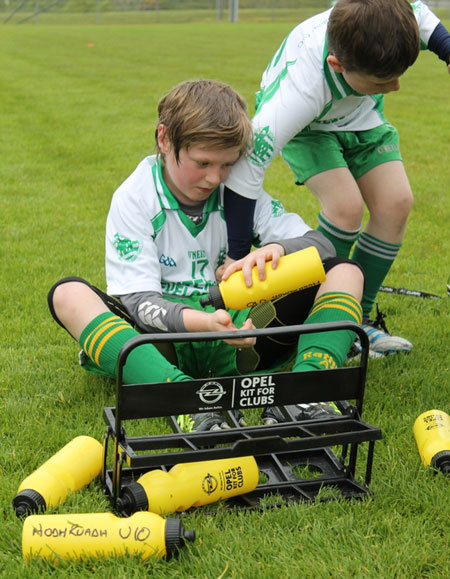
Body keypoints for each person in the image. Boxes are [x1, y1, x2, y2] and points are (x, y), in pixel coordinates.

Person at [48, 79, 365, 432]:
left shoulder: (238, 191)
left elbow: (322, 246)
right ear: (164, 139)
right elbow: (139, 302)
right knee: (68, 295)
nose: (215, 177)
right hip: (164, 343)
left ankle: (306, 389)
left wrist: (277, 249)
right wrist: (206, 324)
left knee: (345, 271)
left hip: (245, 335)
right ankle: (180, 395)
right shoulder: (135, 197)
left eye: (227, 164)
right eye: (203, 163)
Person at [223, 0, 450, 356]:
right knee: (345, 208)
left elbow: (419, 15)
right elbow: (246, 167)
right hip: (311, 130)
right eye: (382, 80)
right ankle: (323, 320)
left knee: (396, 203)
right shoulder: (298, 94)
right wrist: (235, 257)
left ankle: (356, 321)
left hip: (360, 116)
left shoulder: (387, 19)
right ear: (337, 64)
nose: (395, 87)